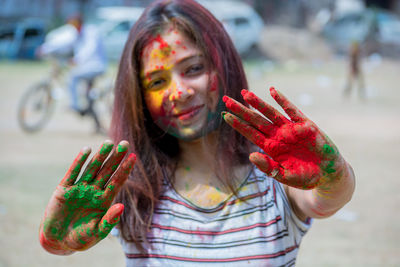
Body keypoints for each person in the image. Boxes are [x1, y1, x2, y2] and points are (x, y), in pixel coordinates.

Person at [39, 0, 355, 266]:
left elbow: (326, 198)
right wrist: (56, 242)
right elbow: (64, 243)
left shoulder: (276, 178)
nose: (179, 92)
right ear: (140, 99)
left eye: (193, 68)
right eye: (157, 82)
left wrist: (334, 174)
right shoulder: (134, 190)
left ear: (224, 66)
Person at [39, 14, 108, 132]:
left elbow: (90, 48)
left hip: (96, 65)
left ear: (79, 22)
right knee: (88, 97)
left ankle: (75, 105)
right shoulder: (76, 34)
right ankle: (97, 125)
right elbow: (62, 43)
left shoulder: (91, 32)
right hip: (85, 66)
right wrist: (45, 49)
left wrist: (77, 59)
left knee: (73, 76)